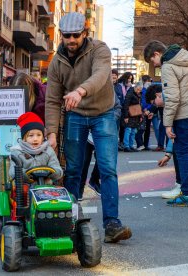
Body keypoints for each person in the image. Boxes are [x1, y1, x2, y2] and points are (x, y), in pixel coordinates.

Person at [45, 12, 132, 243]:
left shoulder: (99, 49)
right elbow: (53, 100)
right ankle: (70, 222)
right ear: (61, 36)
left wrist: (80, 91)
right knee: (73, 169)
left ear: (85, 33)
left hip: (103, 113)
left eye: (76, 35)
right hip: (75, 116)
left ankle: (112, 224)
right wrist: (51, 133)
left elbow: (102, 75)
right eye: (66, 36)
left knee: (107, 168)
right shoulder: (56, 63)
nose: (71, 40)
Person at [144, 40, 188, 207]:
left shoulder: (168, 66)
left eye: (152, 61)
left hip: (183, 113)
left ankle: (187, 193)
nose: (155, 65)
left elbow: (173, 97)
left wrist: (167, 124)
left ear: (157, 54)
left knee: (182, 152)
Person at [9, 112, 63, 182]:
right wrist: (28, 174)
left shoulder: (48, 151)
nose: (35, 139)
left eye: (39, 135)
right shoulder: (17, 152)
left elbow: (58, 170)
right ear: (24, 138)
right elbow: (13, 172)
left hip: (45, 188)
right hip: (24, 188)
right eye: (31, 135)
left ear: (43, 137)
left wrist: (53, 172)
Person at [123, 82, 143, 152]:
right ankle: (126, 146)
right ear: (135, 87)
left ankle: (131, 146)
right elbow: (126, 104)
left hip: (136, 114)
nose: (139, 91)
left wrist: (140, 116)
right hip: (129, 114)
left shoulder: (138, 94)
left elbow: (139, 105)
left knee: (133, 131)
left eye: (140, 90)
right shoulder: (130, 93)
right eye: (138, 89)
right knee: (128, 130)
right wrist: (126, 116)